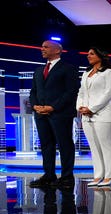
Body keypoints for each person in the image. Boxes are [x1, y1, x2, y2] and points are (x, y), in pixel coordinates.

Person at [28, 40, 79, 189]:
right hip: (41, 114)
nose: (42, 49)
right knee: (46, 145)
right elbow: (34, 91)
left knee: (65, 145)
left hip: (60, 114)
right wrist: (35, 105)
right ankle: (49, 175)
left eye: (46, 47)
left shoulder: (68, 69)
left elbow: (71, 92)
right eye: (41, 46)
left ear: (57, 51)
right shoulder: (38, 71)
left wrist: (52, 107)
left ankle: (67, 177)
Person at [77, 47, 111, 188]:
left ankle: (109, 176)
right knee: (94, 147)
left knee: (106, 146)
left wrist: (92, 108)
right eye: (88, 53)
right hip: (86, 116)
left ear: (101, 55)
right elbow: (81, 92)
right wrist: (80, 107)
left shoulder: (109, 73)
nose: (88, 55)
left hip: (103, 115)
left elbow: (108, 93)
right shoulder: (86, 73)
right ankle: (98, 175)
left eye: (92, 53)